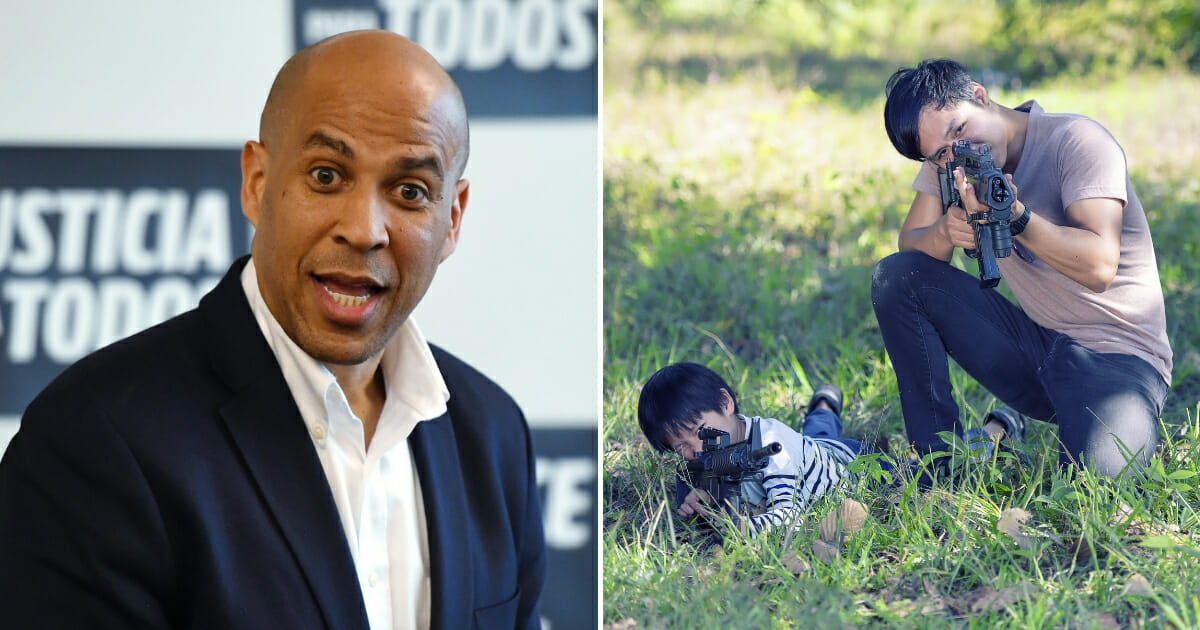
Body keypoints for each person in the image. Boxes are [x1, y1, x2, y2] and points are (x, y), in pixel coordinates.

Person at [0, 30, 545, 629]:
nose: (364, 230)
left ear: (452, 220)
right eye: (326, 176)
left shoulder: (494, 436)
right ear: (257, 184)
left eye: (410, 191)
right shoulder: (93, 440)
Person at [873, 58, 1172, 478]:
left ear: (979, 95)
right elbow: (911, 250)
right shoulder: (949, 164)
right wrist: (947, 231)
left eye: (959, 130)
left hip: (1118, 359)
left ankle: (1018, 432)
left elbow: (1100, 266)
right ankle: (938, 463)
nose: (958, 152)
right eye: (939, 153)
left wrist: (1015, 217)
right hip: (1036, 349)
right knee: (896, 277)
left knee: (1096, 490)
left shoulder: (1077, 140)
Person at [637, 362, 895, 538]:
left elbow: (789, 516)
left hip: (849, 462)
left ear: (725, 403)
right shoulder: (698, 458)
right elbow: (697, 490)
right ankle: (824, 405)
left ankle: (829, 410)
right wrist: (696, 505)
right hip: (808, 450)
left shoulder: (772, 447)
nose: (697, 449)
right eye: (681, 447)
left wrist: (741, 528)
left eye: (700, 431)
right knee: (814, 436)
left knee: (918, 473)